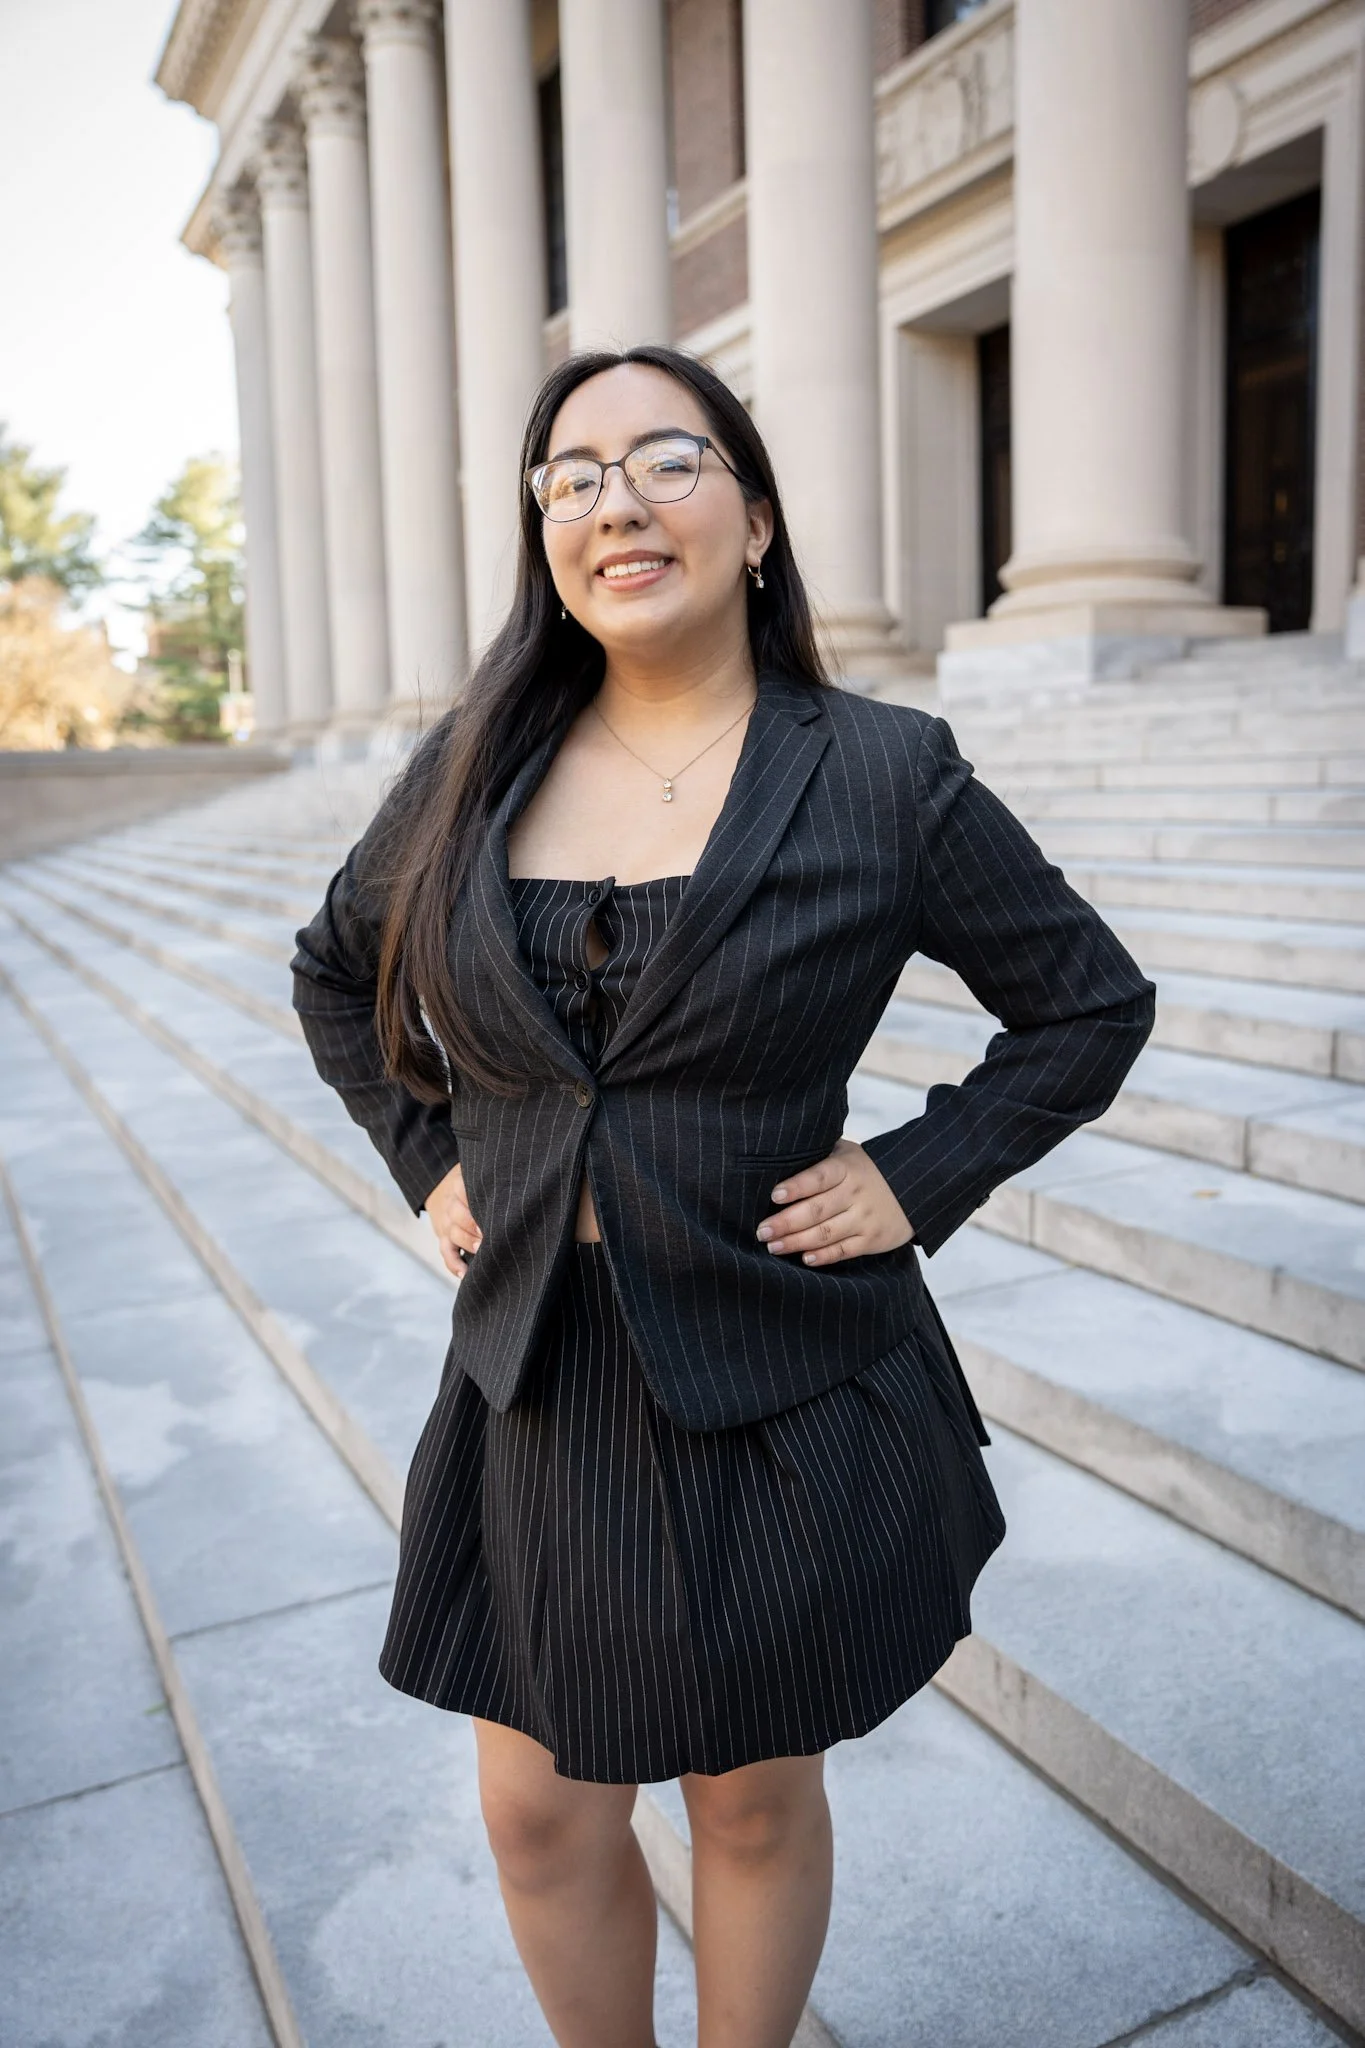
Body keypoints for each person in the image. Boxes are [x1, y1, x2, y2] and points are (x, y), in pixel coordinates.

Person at [292, 343, 1155, 2048]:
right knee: (539, 1814)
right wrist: (429, 1157)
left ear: (755, 521)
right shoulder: (472, 765)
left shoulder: (884, 773)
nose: (614, 503)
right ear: (545, 535)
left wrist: (919, 1171)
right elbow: (337, 972)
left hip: (778, 1370)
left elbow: (1088, 1005)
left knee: (749, 1804)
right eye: (571, 477)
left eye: (666, 461)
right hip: (541, 1377)